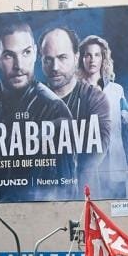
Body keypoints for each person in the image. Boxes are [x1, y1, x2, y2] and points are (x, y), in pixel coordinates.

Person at [0, 20, 76, 195]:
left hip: (40, 214)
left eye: (26, 53)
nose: (19, 65)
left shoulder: (54, 109)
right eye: (8, 55)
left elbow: (67, 189)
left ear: (36, 53)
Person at [39, 27, 111, 184]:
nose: (55, 67)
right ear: (41, 61)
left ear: (76, 57)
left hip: (82, 198)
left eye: (62, 57)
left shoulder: (95, 99)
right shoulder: (31, 101)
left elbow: (95, 153)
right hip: (36, 200)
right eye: (48, 59)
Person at [77, 34, 128, 196]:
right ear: (81, 59)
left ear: (103, 58)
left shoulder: (117, 91)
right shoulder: (75, 91)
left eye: (97, 55)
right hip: (87, 168)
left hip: (115, 166)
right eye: (87, 55)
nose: (92, 60)